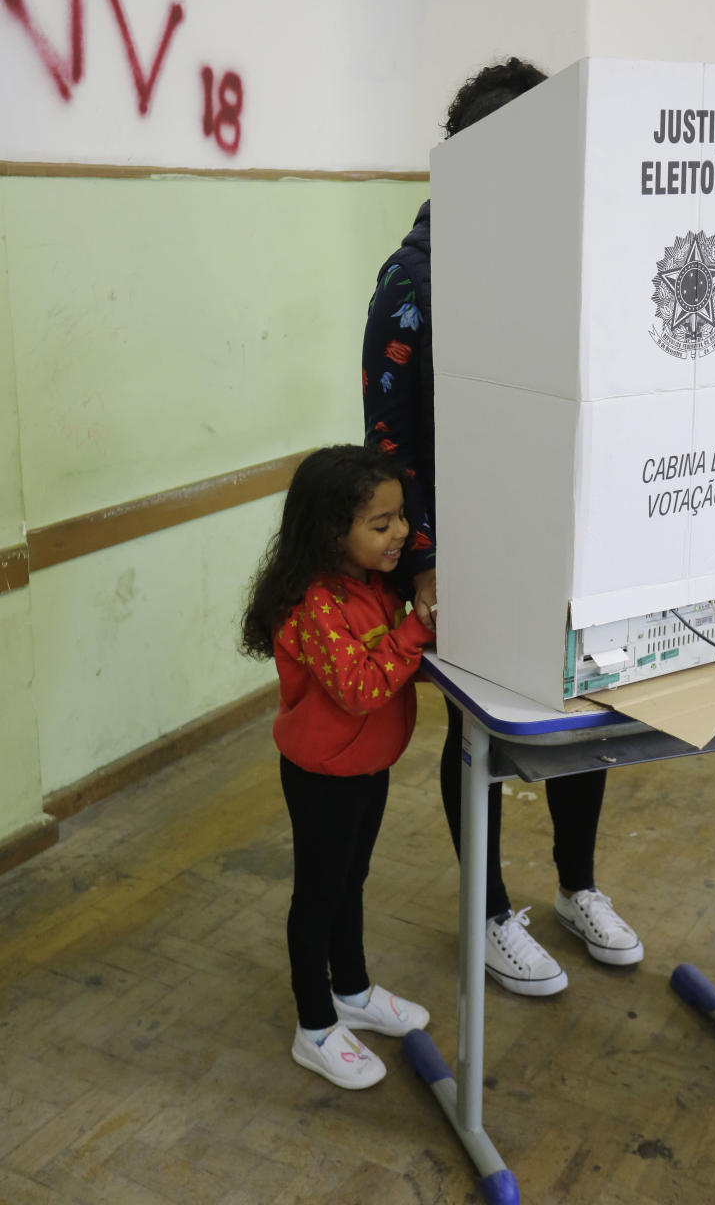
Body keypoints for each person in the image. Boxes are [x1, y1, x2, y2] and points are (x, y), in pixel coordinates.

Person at [361, 58, 643, 997]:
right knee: (478, 727)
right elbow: (390, 440)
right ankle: (487, 912)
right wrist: (426, 560)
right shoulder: (414, 277)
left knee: (581, 711)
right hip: (464, 547)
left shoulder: (560, 255)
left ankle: (578, 886)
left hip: (562, 529)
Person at [241, 445, 436, 1088]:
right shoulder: (314, 605)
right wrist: (415, 632)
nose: (400, 533)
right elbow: (357, 688)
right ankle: (316, 1025)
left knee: (352, 879)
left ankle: (351, 989)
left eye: (400, 517)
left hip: (367, 766)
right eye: (381, 525)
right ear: (331, 534)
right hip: (324, 776)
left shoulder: (372, 585)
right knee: (319, 895)